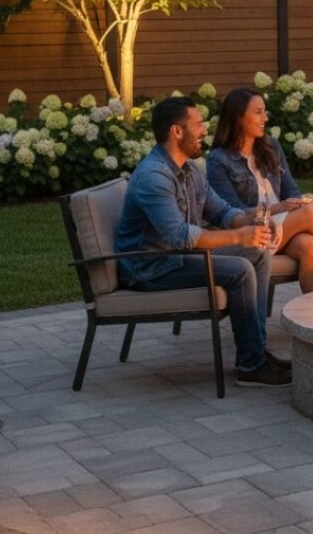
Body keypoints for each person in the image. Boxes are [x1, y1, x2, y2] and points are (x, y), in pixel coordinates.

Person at [114, 97, 290, 388]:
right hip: (151, 268)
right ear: (176, 131)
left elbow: (220, 210)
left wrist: (255, 221)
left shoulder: (191, 169)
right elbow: (179, 237)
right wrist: (237, 236)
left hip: (177, 258)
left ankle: (254, 354)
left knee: (257, 254)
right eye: (198, 125)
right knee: (240, 270)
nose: (204, 131)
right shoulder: (154, 176)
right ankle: (251, 365)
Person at [206, 88, 313, 293]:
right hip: (251, 232)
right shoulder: (218, 160)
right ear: (238, 118)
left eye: (265, 112)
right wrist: (279, 208)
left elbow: (291, 189)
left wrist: (299, 201)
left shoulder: (271, 147)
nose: (265, 118)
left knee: (309, 244)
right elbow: (233, 212)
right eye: (258, 112)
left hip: (283, 225)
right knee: (309, 214)